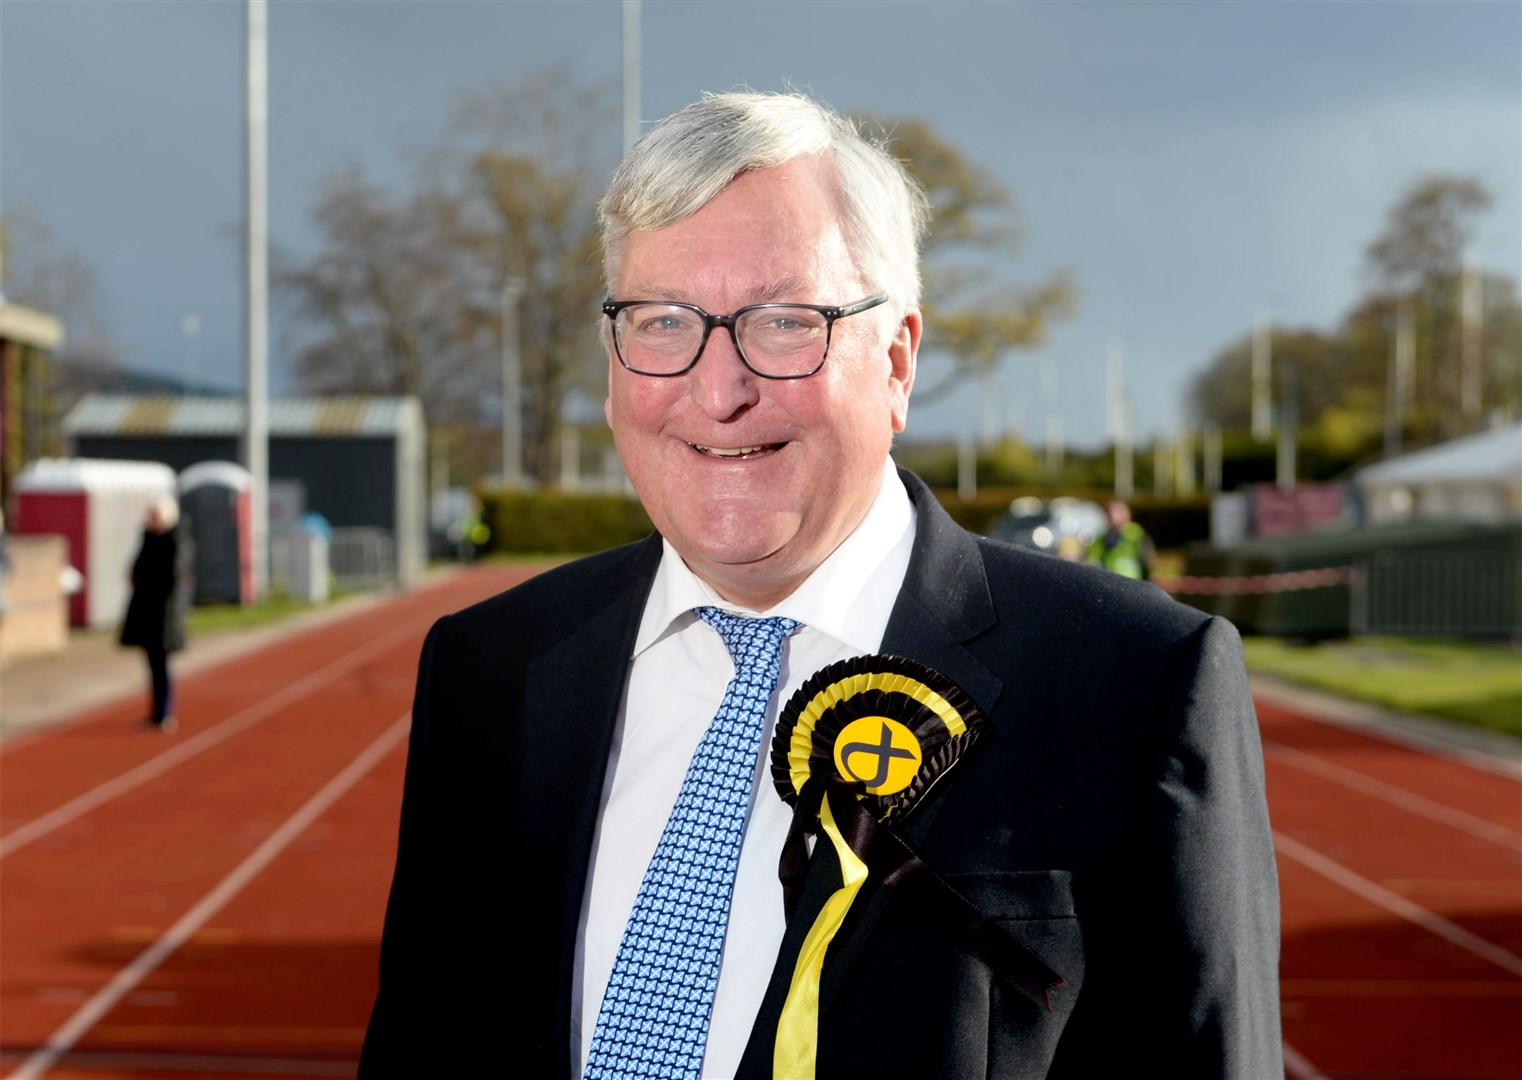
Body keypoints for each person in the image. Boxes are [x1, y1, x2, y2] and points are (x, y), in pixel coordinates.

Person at [360, 91, 1280, 1079]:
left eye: (784, 322)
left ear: (896, 360)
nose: (719, 392)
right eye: (664, 321)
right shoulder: (490, 668)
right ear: (613, 357)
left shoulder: (1133, 684)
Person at [120, 492, 191, 733]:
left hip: (164, 616)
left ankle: (163, 712)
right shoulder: (148, 538)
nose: (152, 520)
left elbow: (172, 578)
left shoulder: (175, 541)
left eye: (157, 516)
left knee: (161, 665)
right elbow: (135, 570)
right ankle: (156, 712)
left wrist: (149, 587)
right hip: (146, 613)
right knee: (152, 664)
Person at [1087, 498, 1156, 580]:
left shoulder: (1136, 535)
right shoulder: (1099, 538)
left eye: (1113, 512)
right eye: (1107, 512)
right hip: (1107, 585)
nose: (1110, 516)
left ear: (1126, 514)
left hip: (1132, 585)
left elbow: (1148, 562)